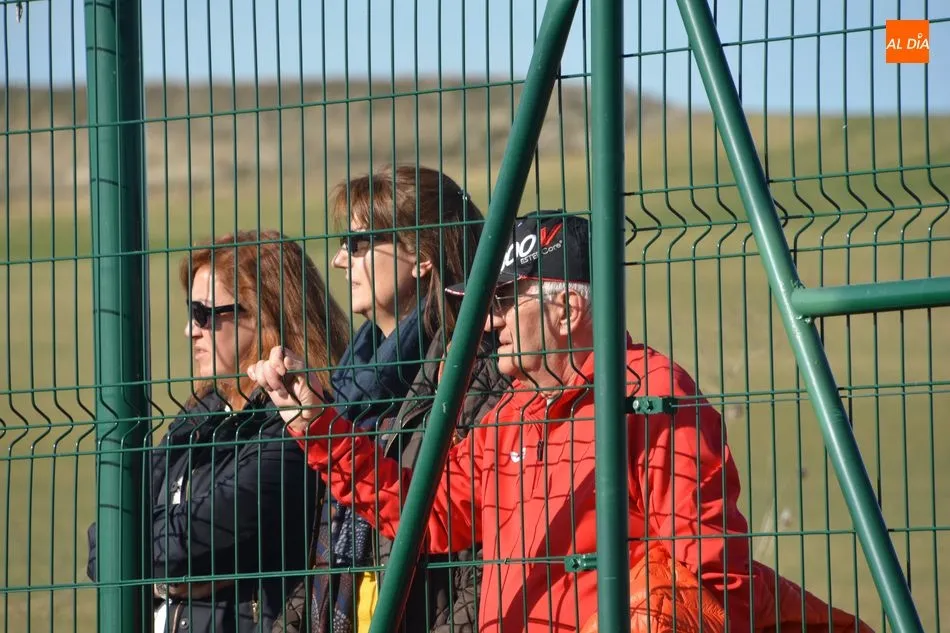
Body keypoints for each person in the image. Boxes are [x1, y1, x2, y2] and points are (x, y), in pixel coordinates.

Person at [250, 211, 874, 633]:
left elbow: (713, 575)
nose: (488, 322)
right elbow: (431, 514)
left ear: (569, 308)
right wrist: (318, 427)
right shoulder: (508, 412)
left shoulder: (652, 393)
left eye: (502, 301)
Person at [272, 164, 509, 633]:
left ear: (421, 255)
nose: (339, 261)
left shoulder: (472, 374)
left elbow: (481, 564)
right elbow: (329, 551)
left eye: (357, 244)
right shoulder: (349, 383)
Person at [86, 229, 350, 633]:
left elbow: (187, 540)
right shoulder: (198, 415)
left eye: (204, 314)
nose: (190, 330)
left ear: (263, 314)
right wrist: (172, 578)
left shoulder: (296, 425)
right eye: (191, 312)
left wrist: (155, 571)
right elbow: (106, 540)